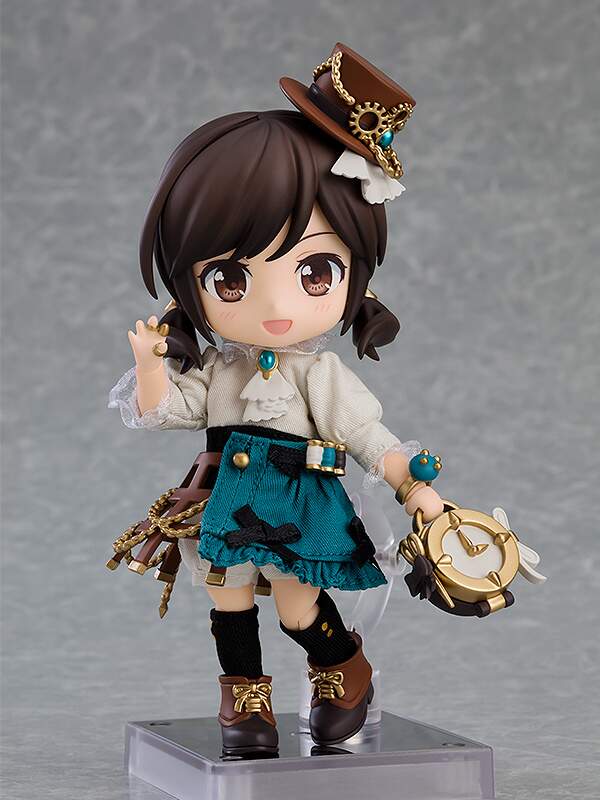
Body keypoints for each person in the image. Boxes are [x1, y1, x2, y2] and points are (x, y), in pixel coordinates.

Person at [110, 43, 443, 757]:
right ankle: (245, 701)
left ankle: (343, 670)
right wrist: (148, 366)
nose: (275, 306)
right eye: (230, 280)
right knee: (227, 599)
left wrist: (417, 491)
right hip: (226, 501)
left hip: (298, 502)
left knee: (296, 604)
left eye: (314, 271)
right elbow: (167, 410)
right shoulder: (221, 372)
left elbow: (367, 433)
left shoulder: (317, 375)